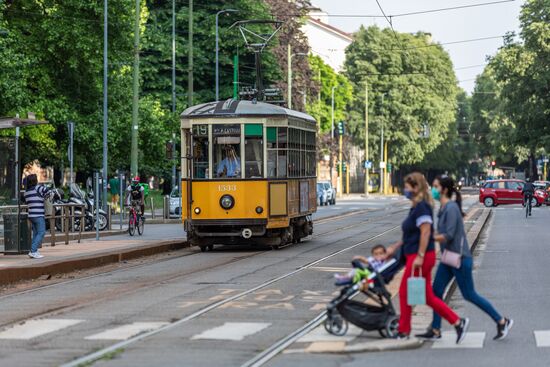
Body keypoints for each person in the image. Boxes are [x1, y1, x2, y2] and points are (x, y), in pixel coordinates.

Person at [416, 175, 513, 341]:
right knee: (436, 292)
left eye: (436, 186)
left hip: (460, 259)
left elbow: (448, 235)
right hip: (449, 258)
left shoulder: (451, 208)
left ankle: (501, 321)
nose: (433, 190)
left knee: (469, 294)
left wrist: (429, 237)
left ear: (444, 190)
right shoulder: (444, 208)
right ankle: (436, 329)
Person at [385, 172, 469, 343]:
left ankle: (404, 330)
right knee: (427, 296)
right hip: (414, 255)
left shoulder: (422, 207)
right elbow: (412, 233)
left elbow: (425, 232)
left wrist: (420, 256)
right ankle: (457, 322)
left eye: (407, 187)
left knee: (405, 292)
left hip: (420, 257)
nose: (405, 190)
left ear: (416, 188)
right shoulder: (415, 207)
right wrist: (396, 246)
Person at [24, 174, 51, 259]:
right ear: (35, 181)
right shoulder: (38, 188)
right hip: (38, 214)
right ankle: (33, 251)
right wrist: (46, 197)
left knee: (36, 233)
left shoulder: (26, 192)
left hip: (31, 215)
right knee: (41, 232)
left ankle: (34, 251)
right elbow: (48, 192)